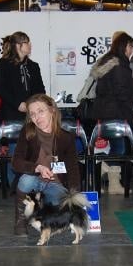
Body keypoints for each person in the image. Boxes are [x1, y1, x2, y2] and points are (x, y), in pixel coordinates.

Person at [12, 94, 81, 236]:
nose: (37, 117)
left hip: (55, 184)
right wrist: (37, 168)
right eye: (32, 114)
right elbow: (16, 162)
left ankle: (41, 215)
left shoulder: (66, 138)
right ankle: (21, 221)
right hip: (34, 180)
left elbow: (73, 168)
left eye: (41, 111)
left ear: (52, 110)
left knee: (59, 203)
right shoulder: (27, 133)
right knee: (26, 180)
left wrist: (74, 196)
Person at [0, 31, 46, 188]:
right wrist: (18, 104)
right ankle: (14, 186)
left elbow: (40, 90)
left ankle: (32, 183)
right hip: (12, 113)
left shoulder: (33, 66)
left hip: (32, 115)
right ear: (18, 45)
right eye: (27, 43)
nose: (30, 46)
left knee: (34, 147)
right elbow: (2, 89)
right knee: (14, 149)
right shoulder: (3, 65)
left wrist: (35, 105)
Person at [89, 32, 133, 193]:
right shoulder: (120, 65)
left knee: (118, 146)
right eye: (131, 47)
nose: (131, 51)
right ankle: (100, 169)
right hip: (116, 112)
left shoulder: (108, 62)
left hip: (104, 111)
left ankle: (114, 184)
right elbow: (122, 92)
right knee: (120, 148)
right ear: (125, 46)